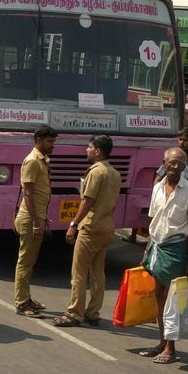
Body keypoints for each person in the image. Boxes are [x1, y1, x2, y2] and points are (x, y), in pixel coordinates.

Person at [137, 147, 188, 365]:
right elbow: (153, 221)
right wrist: (147, 249)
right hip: (157, 247)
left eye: (180, 164)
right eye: (171, 163)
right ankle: (162, 341)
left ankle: (171, 348)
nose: (175, 167)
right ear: (163, 163)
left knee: (172, 302)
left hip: (177, 249)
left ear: (185, 167)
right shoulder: (157, 188)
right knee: (159, 296)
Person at [54, 135, 121, 328]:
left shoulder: (96, 172)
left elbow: (87, 201)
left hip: (90, 227)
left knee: (79, 272)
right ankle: (93, 313)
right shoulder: (115, 173)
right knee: (98, 272)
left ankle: (75, 313)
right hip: (106, 226)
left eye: (89, 147)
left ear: (98, 151)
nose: (86, 150)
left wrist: (73, 224)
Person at [14, 126, 57, 317]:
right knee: (25, 262)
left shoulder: (42, 161)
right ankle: (22, 304)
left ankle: (26, 298)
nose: (52, 145)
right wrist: (35, 222)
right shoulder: (32, 161)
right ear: (38, 139)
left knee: (30, 262)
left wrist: (42, 219)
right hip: (29, 219)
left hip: (36, 217)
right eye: (49, 141)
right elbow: (28, 194)